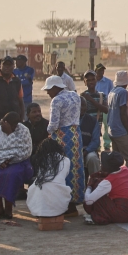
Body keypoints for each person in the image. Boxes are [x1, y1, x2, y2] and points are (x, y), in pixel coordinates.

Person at [0, 112, 34, 222]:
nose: (13, 128)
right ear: (4, 123)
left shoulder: (23, 130)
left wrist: (9, 160)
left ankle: (8, 211)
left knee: (10, 176)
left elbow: (25, 151)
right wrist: (1, 161)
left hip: (19, 162)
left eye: (14, 126)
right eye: (9, 125)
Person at [44, 74, 86, 214]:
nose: (48, 93)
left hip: (62, 136)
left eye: (49, 90)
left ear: (55, 88)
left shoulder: (56, 100)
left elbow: (54, 124)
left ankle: (64, 203)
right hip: (75, 134)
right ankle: (75, 200)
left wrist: (48, 133)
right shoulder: (75, 96)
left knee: (61, 168)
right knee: (75, 167)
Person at [83, 151, 128, 225]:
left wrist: (89, 186)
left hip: (123, 215)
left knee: (96, 188)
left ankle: (99, 215)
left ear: (106, 167)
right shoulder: (125, 169)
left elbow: (88, 201)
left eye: (102, 164)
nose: (101, 165)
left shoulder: (108, 182)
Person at [27, 138, 73, 218]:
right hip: (60, 206)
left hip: (37, 210)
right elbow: (64, 176)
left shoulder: (39, 160)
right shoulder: (66, 160)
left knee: (35, 186)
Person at [107, 70, 128, 165]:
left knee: (116, 160)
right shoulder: (123, 92)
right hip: (121, 131)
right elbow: (123, 112)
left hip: (112, 130)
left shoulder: (112, 91)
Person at [95, 63, 114, 149]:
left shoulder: (108, 82)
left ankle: (107, 144)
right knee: (96, 127)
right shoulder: (93, 81)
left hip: (105, 107)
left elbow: (111, 94)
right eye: (99, 70)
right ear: (96, 71)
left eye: (102, 70)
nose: (101, 72)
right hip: (95, 107)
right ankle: (96, 145)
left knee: (106, 126)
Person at [80, 112, 102, 177]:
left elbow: (96, 141)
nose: (81, 107)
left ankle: (96, 182)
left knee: (92, 158)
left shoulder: (92, 121)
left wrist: (85, 151)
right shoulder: (68, 118)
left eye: (83, 105)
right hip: (71, 152)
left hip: (86, 151)